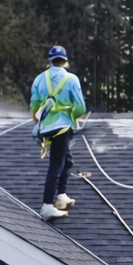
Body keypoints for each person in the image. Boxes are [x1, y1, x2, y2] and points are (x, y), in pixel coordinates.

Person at [30, 45, 86, 221]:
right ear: (65, 61)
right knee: (56, 165)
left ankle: (61, 195)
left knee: (66, 160)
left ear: (50, 60)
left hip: (46, 128)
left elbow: (34, 109)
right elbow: (81, 108)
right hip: (63, 127)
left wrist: (43, 122)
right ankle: (47, 206)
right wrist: (73, 118)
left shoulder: (39, 79)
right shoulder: (71, 79)